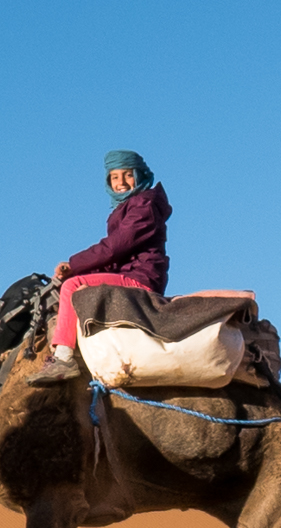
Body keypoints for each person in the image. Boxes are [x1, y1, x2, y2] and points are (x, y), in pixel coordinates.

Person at [25, 149, 171, 386]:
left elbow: (115, 248)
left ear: (140, 175)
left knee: (72, 286)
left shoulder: (145, 206)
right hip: (129, 273)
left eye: (127, 175)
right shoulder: (129, 207)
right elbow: (115, 258)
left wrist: (73, 265)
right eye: (114, 177)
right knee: (70, 282)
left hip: (141, 278)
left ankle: (63, 357)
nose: (121, 182)